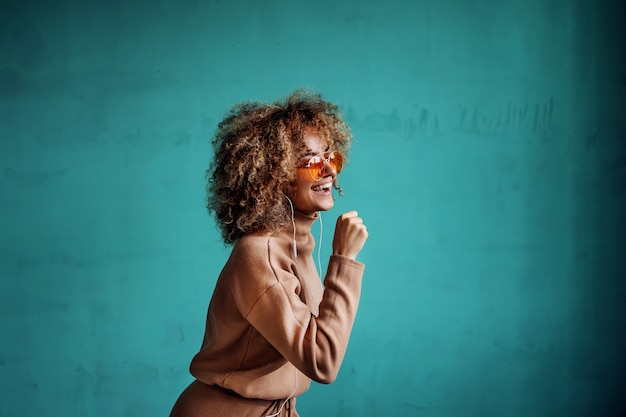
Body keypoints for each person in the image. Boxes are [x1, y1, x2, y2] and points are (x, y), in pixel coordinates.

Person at [170, 89, 368, 417]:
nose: (330, 172)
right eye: (312, 162)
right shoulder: (260, 254)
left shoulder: (298, 243)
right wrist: (344, 260)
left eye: (330, 158)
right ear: (276, 175)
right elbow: (322, 361)